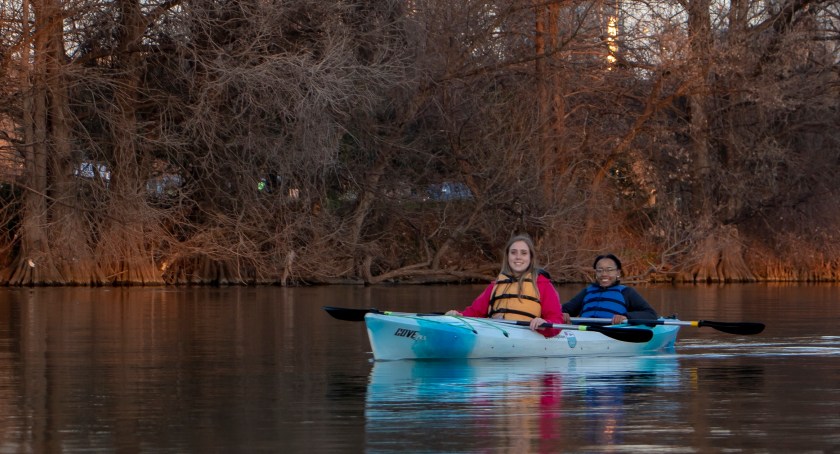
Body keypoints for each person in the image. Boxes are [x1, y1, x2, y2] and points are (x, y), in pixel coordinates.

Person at [445, 234, 564, 336]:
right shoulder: (496, 285)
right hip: (498, 333)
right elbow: (475, 312)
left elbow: (556, 321)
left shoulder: (543, 285)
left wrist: (543, 324)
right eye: (513, 253)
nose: (518, 257)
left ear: (530, 258)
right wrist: (458, 316)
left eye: (523, 253)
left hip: (527, 335)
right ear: (507, 257)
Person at [561, 253, 658, 325]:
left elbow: (651, 315)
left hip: (612, 333)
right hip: (583, 332)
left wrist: (626, 317)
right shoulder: (587, 291)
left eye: (609, 270)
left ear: (618, 272)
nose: (604, 274)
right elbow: (565, 309)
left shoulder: (626, 292)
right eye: (600, 270)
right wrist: (563, 314)